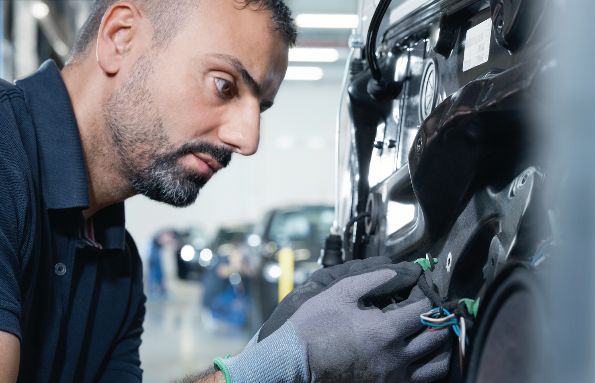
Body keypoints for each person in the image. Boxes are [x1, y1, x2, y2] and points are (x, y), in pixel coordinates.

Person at [0, 1, 449, 382]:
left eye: (261, 108)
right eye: (224, 85)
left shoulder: (118, 264)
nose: (247, 140)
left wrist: (267, 348)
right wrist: (276, 365)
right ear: (120, 36)